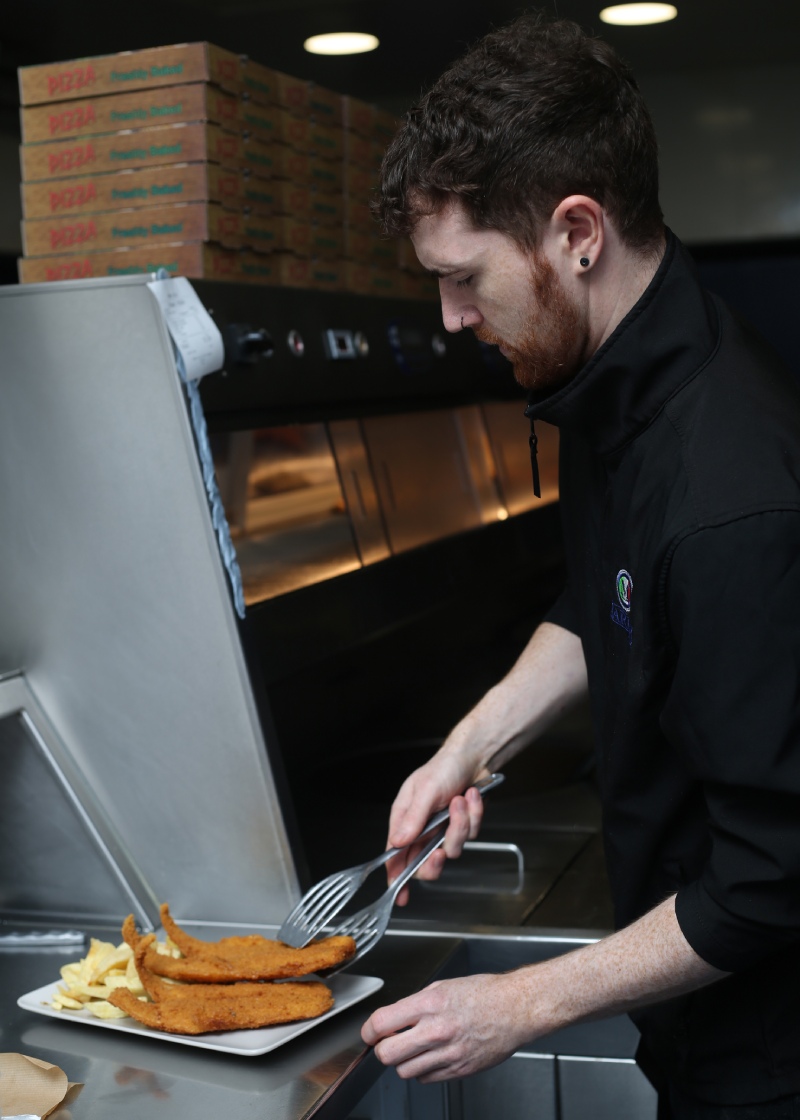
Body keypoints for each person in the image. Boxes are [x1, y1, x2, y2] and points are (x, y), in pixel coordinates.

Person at [360, 12, 800, 1118]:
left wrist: (515, 1005)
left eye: (464, 277)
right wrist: (473, 741)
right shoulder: (619, 379)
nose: (452, 316)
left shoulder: (730, 494)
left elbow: (771, 875)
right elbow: (604, 595)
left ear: (576, 231)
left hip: (768, 1057)